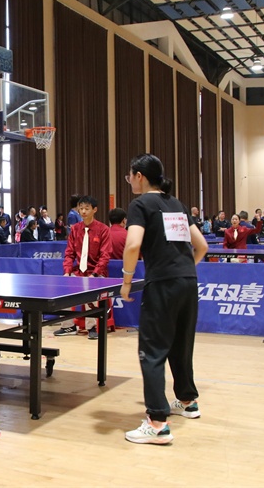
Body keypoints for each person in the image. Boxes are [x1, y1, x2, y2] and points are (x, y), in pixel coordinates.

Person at [119, 154, 207, 445]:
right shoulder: (177, 204)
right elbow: (202, 246)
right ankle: (188, 401)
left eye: (130, 175)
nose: (129, 181)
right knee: (181, 346)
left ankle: (157, 423)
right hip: (188, 282)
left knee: (152, 350)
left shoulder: (140, 204)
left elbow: (133, 245)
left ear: (140, 176)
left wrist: (127, 281)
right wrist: (183, 269)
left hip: (163, 285)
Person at [54, 196, 111, 340]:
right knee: (63, 289)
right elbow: (69, 253)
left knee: (90, 288)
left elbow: (105, 256)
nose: (83, 211)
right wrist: (67, 272)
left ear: (94, 210)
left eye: (87, 208)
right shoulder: (75, 230)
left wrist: (95, 274)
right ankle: (68, 326)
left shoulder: (103, 229)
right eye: (81, 208)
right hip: (78, 271)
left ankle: (93, 327)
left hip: (96, 273)